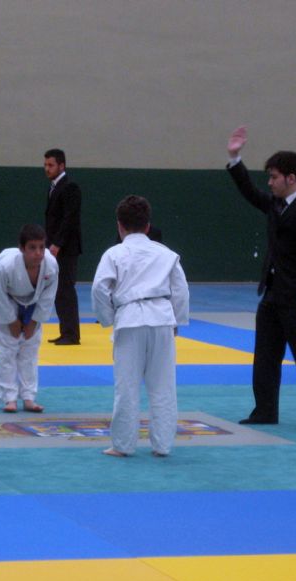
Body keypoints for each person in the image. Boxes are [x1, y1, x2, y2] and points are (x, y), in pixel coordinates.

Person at [226, 126, 296, 429]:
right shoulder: (276, 205)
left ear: (291, 178)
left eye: (274, 177)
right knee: (265, 355)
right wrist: (235, 158)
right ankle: (265, 411)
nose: (269, 182)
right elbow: (250, 193)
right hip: (273, 293)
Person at [92, 195, 189, 457]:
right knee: (163, 386)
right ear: (148, 226)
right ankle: (163, 445)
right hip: (162, 318)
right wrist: (177, 320)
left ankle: (122, 445)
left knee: (126, 387)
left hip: (129, 320)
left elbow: (99, 288)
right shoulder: (166, 254)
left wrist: (108, 318)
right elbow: (181, 290)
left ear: (119, 225)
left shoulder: (114, 253)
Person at [0, 224, 58, 413]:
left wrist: (34, 321)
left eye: (41, 247)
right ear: (22, 248)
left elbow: (48, 296)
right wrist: (11, 321)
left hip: (33, 303)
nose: (38, 253)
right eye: (32, 248)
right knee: (6, 352)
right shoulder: (5, 267)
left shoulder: (51, 265)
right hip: (7, 300)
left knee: (30, 351)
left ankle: (28, 397)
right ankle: (9, 398)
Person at [43, 148, 82, 345]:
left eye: (51, 165)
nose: (47, 168)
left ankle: (72, 334)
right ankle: (65, 331)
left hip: (66, 249)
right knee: (58, 290)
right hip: (55, 247)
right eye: (45, 165)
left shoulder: (70, 187)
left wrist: (57, 244)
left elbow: (70, 219)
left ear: (61, 165)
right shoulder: (54, 187)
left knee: (66, 289)